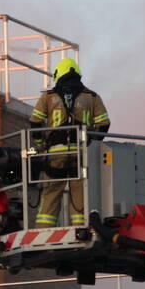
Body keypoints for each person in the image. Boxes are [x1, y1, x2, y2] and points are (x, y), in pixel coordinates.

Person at [29, 58, 110, 227]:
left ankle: (44, 231)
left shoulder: (48, 96)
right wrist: (91, 144)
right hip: (81, 153)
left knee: (51, 194)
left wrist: (41, 145)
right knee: (79, 194)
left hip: (56, 154)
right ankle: (80, 230)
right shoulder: (92, 96)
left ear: (59, 74)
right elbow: (104, 124)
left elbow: (35, 123)